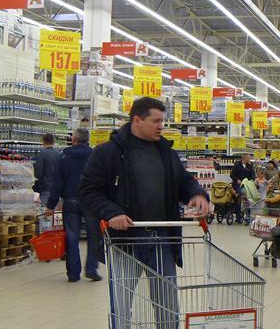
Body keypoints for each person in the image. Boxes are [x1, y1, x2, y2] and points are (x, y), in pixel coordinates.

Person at [79, 97, 209, 328]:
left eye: (162, 121)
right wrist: (112, 213)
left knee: (168, 305)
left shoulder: (166, 152)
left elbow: (183, 180)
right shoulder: (108, 153)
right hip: (126, 241)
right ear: (137, 120)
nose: (161, 126)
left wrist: (196, 194)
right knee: (122, 305)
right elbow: (89, 191)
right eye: (156, 121)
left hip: (163, 240)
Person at [45, 128, 101, 282]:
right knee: (94, 236)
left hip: (70, 201)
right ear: (87, 140)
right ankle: (91, 269)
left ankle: (73, 273)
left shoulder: (64, 156)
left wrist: (50, 205)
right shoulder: (94, 156)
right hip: (91, 201)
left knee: (71, 237)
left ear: (74, 139)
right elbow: (101, 180)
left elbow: (57, 183)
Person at [33, 133, 60, 206]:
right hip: (57, 190)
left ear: (43, 141)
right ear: (53, 142)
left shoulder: (41, 154)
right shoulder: (59, 154)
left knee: (46, 211)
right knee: (55, 211)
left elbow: (38, 174)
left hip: (45, 189)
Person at [231, 153, 255, 221]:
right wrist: (237, 179)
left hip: (246, 185)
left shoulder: (249, 166)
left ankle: (248, 217)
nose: (250, 159)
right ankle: (238, 216)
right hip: (237, 185)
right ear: (244, 158)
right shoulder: (237, 165)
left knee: (248, 199)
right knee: (240, 195)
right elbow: (232, 175)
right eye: (249, 158)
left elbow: (253, 176)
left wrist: (251, 180)